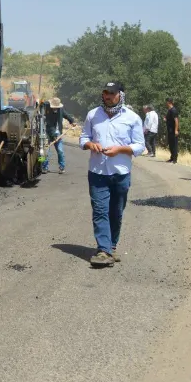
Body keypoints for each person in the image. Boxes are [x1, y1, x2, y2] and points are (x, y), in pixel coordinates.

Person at [79, 81, 145, 268]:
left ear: (120, 95)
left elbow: (140, 146)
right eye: (105, 93)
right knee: (100, 211)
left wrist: (120, 150)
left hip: (121, 173)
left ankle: (111, 246)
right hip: (97, 172)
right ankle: (103, 250)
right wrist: (90, 145)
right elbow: (84, 137)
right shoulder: (93, 115)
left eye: (112, 93)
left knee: (116, 212)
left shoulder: (132, 118)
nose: (107, 96)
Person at [42, 97, 76, 173]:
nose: (55, 109)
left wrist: (72, 121)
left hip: (58, 134)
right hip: (47, 133)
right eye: (54, 107)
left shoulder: (60, 109)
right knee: (45, 151)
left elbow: (66, 115)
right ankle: (44, 167)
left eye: (56, 107)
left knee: (60, 151)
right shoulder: (47, 108)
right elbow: (41, 105)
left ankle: (62, 167)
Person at [164, 98, 180, 163]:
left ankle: (175, 159)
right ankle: (172, 158)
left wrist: (176, 130)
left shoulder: (173, 110)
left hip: (173, 130)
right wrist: (166, 119)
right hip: (170, 130)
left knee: (174, 145)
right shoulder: (169, 110)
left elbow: (176, 120)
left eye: (166, 102)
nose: (165, 103)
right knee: (170, 144)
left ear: (168, 102)